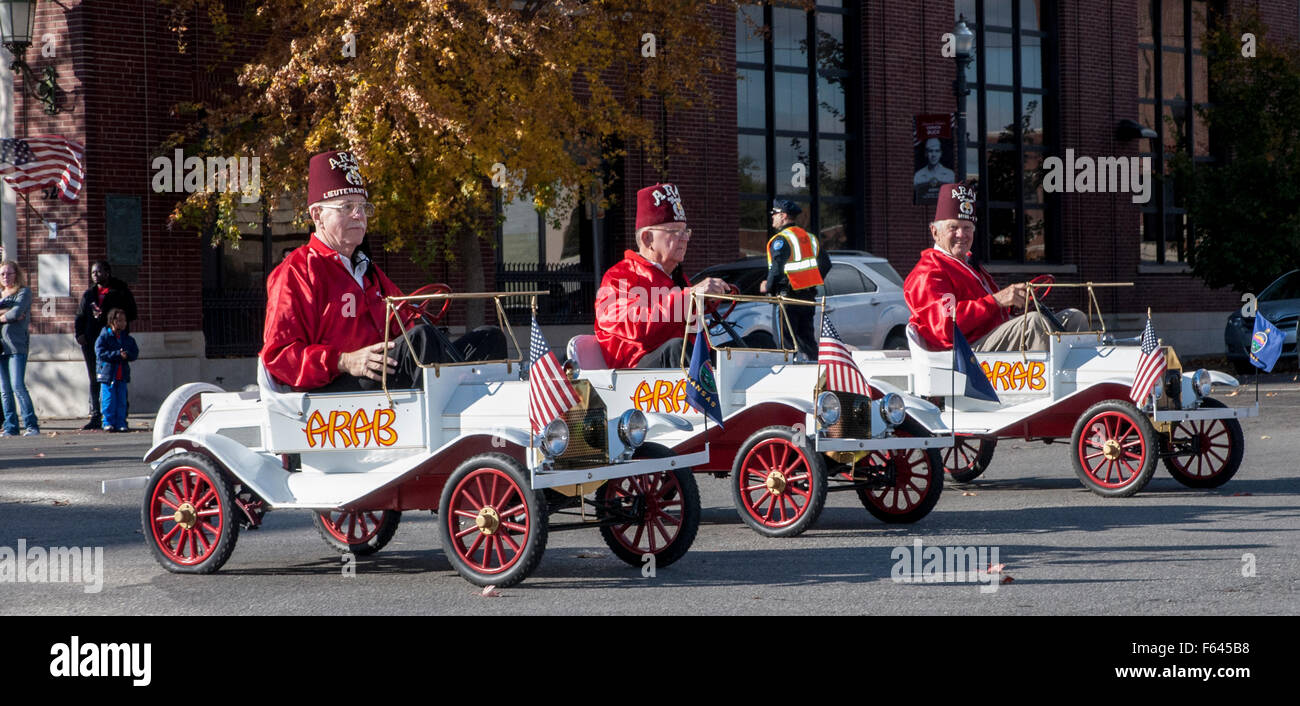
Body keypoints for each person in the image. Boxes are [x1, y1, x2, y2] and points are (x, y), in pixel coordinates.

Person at [261, 149, 506, 392]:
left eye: (362, 206)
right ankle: (458, 395)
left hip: (380, 380)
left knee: (489, 338)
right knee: (421, 340)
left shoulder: (370, 271)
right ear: (318, 215)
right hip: (334, 391)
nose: (358, 215)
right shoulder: (297, 272)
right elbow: (278, 357)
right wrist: (344, 361)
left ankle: (470, 405)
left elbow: (405, 324)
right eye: (346, 206)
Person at [904, 183, 1086, 351]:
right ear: (935, 232)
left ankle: (1081, 379)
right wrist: (997, 300)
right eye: (954, 227)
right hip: (963, 354)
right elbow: (945, 327)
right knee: (1032, 324)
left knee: (1074, 318)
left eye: (968, 228)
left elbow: (993, 310)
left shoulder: (968, 264)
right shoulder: (929, 272)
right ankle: (1049, 384)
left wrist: (1015, 304)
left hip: (987, 340)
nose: (962, 235)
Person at [595, 183, 758, 369]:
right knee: (678, 349)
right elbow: (636, 328)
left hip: (679, 367)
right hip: (637, 376)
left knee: (758, 343)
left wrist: (705, 301)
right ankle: (714, 396)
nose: (685, 238)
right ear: (647, 238)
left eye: (685, 231)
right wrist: (689, 298)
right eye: (674, 232)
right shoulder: (618, 277)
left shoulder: (676, 277)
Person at [759, 200, 831, 360]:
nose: (772, 218)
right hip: (807, 299)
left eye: (774, 214)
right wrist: (808, 281)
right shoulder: (810, 238)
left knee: (785, 345)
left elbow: (776, 270)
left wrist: (767, 287)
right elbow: (826, 264)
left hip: (787, 299)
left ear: (783, 216)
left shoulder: (781, 240)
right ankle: (816, 376)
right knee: (807, 343)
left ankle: (786, 378)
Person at [74, 261, 137, 430]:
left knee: (117, 379)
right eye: (93, 272)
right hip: (92, 341)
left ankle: (120, 417)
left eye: (99, 271)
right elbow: (80, 316)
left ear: (107, 272)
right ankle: (96, 415)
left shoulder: (120, 291)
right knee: (95, 378)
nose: (95, 275)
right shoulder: (89, 294)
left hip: (114, 341)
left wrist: (112, 318)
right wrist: (79, 334)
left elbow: (132, 312)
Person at [0, 260, 39, 436]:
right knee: (4, 390)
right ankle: (10, 426)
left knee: (17, 386)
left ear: (17, 275)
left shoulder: (24, 292)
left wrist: (10, 314)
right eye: (2, 274)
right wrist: (5, 314)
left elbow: (16, 313)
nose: (5, 277)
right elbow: (12, 315)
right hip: (0, 347)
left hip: (16, 346)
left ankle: (31, 425)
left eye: (9, 273)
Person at [95, 308, 138, 433]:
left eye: (124, 321)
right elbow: (100, 353)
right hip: (108, 374)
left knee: (121, 400)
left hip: (122, 374)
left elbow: (134, 353)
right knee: (108, 400)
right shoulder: (104, 337)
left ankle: (121, 422)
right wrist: (117, 354)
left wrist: (127, 354)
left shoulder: (127, 338)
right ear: (112, 321)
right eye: (119, 321)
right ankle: (108, 422)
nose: (123, 323)